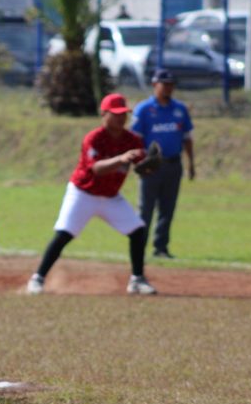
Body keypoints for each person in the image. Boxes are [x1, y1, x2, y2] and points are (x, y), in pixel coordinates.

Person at [26, 93, 155, 296]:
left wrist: (148, 165)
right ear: (104, 114)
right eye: (116, 114)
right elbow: (97, 169)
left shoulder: (132, 140)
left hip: (111, 197)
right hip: (83, 193)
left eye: (124, 114)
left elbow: (144, 167)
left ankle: (137, 280)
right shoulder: (94, 138)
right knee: (64, 234)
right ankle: (38, 278)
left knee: (137, 230)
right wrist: (122, 158)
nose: (122, 118)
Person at [131, 69, 195, 259]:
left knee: (167, 209)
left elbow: (187, 138)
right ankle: (138, 247)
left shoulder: (180, 109)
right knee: (145, 209)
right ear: (154, 85)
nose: (168, 88)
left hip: (174, 164)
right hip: (151, 166)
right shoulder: (144, 110)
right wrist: (140, 161)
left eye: (171, 85)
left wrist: (191, 164)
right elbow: (135, 139)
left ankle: (161, 248)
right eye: (164, 84)